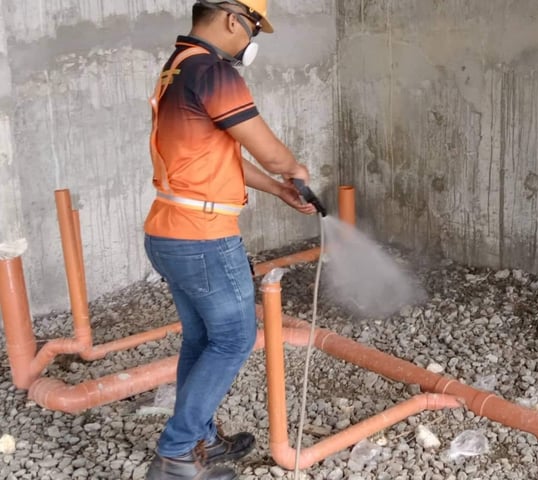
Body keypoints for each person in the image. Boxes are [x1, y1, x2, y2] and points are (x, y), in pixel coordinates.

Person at [142, 1, 315, 478]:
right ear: (232, 19)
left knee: (202, 339)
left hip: (169, 232)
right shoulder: (215, 72)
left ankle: (200, 439)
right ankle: (177, 455)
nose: (250, 42)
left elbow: (223, 157)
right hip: (203, 239)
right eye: (254, 28)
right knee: (236, 338)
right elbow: (265, 147)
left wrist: (276, 188)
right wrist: (293, 170)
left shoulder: (175, 70)